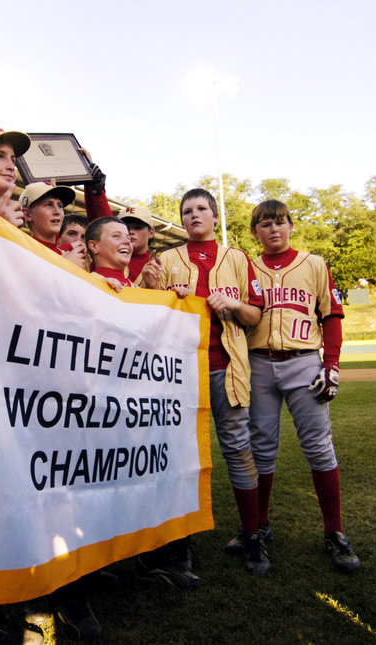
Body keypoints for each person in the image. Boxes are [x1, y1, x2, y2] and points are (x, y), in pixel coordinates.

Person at [243, 199, 361, 574]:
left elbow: (332, 314)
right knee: (261, 449)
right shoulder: (246, 266)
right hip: (258, 363)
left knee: (319, 448)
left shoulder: (313, 264)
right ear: (254, 232)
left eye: (279, 222)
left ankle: (335, 532)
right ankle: (259, 527)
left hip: (304, 362)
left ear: (291, 225)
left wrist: (332, 364)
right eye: (264, 224)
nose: (273, 229)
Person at [156, 188, 265, 576]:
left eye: (202, 209)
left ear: (216, 217)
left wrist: (234, 304)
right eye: (187, 211)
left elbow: (255, 317)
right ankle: (178, 544)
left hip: (226, 367)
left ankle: (252, 535)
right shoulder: (166, 259)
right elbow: (144, 306)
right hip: (177, 374)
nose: (194, 216)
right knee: (178, 457)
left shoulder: (237, 258)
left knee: (237, 449)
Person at [19, 182, 87, 270]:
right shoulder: (21, 250)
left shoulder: (69, 254)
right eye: (49, 205)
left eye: (60, 206)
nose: (57, 211)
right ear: (28, 214)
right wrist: (64, 266)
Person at [119, 205, 161, 287]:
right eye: (126, 228)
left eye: (137, 227)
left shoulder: (160, 265)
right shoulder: (108, 259)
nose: (130, 232)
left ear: (151, 232)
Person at [86, 216, 133, 290]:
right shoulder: (85, 284)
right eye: (116, 236)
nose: (127, 242)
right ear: (94, 246)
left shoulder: (138, 289)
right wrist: (96, 287)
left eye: (128, 238)